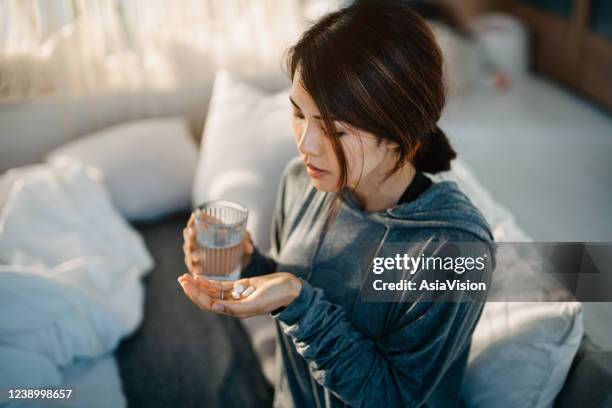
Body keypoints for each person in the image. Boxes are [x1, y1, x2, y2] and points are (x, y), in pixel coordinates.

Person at [178, 3, 497, 407]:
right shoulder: (300, 181)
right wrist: (248, 265)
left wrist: (298, 302)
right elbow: (299, 281)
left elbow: (395, 397)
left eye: (334, 130)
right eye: (298, 114)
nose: (305, 144)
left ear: (398, 133)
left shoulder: (453, 248)